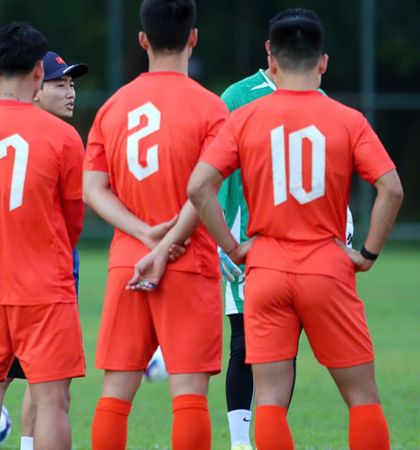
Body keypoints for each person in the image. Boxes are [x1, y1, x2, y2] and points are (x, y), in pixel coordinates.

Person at [183, 9, 401, 450]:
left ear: (273, 61)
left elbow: (199, 186)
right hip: (327, 264)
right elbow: (391, 189)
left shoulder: (245, 116)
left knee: (269, 400)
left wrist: (232, 246)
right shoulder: (347, 119)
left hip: (266, 268)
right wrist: (368, 254)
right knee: (362, 398)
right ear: (323, 62)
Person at [84, 0, 228, 448]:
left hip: (128, 259)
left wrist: (143, 233)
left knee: (115, 394)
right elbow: (203, 191)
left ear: (143, 39)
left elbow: (93, 189)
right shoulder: (211, 109)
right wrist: (165, 245)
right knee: (189, 395)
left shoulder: (113, 106)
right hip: (188, 257)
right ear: (193, 37)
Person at [214, 9, 354, 449]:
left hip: (310, 245)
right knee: (242, 342)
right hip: (248, 239)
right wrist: (221, 238)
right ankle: (240, 441)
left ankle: (269, 434)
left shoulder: (318, 98)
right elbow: (211, 174)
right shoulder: (237, 97)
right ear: (270, 52)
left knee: (283, 352)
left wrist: (344, 222)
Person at [0, 22, 86, 450]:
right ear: (39, 74)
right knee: (52, 402)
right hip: (44, 287)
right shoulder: (64, 137)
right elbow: (73, 220)